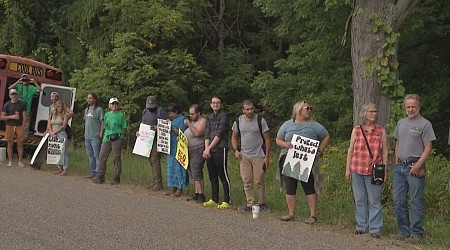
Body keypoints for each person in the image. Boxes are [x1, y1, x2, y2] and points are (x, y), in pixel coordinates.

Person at [276, 100, 330, 224]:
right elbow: (278, 139)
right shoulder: (287, 125)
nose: (309, 111)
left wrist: (320, 151)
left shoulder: (314, 125)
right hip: (290, 158)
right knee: (290, 186)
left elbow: (326, 136)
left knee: (309, 187)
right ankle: (291, 213)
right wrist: (286, 144)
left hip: (307, 160)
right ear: (298, 110)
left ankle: (313, 215)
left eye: (310, 109)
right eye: (307, 108)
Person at [393, 94, 436, 242]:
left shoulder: (425, 124)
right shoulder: (401, 123)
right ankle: (403, 230)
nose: (410, 109)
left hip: (415, 166)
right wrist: (396, 160)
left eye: (413, 107)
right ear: (405, 107)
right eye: (408, 107)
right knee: (398, 200)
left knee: (416, 201)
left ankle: (416, 233)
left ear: (419, 107)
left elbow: (428, 147)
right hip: (400, 167)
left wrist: (418, 166)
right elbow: (398, 142)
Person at [346, 103, 388, 238]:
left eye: (375, 111)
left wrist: (385, 170)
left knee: (374, 200)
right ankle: (361, 225)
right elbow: (351, 150)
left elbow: (385, 151)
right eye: (371, 111)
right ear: (364, 113)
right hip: (357, 168)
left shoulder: (381, 131)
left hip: (374, 170)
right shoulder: (357, 130)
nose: (374, 114)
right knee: (359, 199)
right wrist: (348, 169)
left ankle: (375, 228)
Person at [231, 99, 271, 212]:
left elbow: (267, 139)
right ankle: (250, 203)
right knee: (246, 180)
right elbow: (233, 136)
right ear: (243, 110)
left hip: (258, 155)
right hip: (244, 155)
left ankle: (262, 203)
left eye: (252, 108)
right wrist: (235, 150)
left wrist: (267, 156)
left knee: (259, 179)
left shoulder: (260, 120)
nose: (250, 111)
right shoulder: (238, 121)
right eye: (247, 109)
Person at [202, 95, 232, 209]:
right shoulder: (209, 117)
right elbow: (207, 133)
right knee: (212, 175)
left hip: (220, 148)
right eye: (213, 102)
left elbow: (219, 133)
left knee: (222, 174)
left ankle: (227, 200)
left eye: (217, 102)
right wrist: (206, 149)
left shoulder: (224, 116)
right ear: (210, 104)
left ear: (220, 104)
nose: (215, 104)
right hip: (210, 149)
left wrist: (209, 148)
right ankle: (214, 198)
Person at [138, 96, 168, 191]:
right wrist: (139, 132)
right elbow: (143, 123)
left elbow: (165, 126)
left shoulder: (160, 111)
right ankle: (154, 181)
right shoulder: (145, 111)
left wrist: (158, 128)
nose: (150, 108)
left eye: (152, 106)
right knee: (150, 160)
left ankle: (158, 183)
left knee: (155, 159)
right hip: (147, 138)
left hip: (157, 139)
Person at [95, 98, 127, 185]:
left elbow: (124, 127)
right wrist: (102, 134)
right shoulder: (107, 114)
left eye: (116, 104)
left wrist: (123, 137)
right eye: (112, 104)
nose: (114, 106)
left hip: (117, 137)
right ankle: (101, 176)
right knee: (102, 156)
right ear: (109, 105)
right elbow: (104, 126)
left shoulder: (121, 115)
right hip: (107, 136)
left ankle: (117, 177)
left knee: (116, 157)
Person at [184, 104, 207, 203]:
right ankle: (197, 192)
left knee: (196, 170)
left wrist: (189, 125)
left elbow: (198, 133)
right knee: (192, 171)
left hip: (198, 149)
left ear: (198, 113)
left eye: (192, 114)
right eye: (190, 114)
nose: (191, 116)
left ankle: (201, 194)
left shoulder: (203, 121)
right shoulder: (193, 122)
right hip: (189, 150)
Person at [8, 74, 42, 138]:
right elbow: (10, 88)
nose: (24, 80)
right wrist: (18, 81)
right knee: (15, 121)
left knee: (26, 123)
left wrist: (34, 82)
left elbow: (40, 90)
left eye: (26, 79)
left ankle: (24, 137)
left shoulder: (31, 87)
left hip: (27, 109)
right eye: (23, 79)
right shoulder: (18, 86)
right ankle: (14, 135)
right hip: (17, 108)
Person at [165, 103, 188, 197]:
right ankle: (173, 187)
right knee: (171, 167)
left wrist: (171, 127)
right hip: (171, 146)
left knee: (179, 168)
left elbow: (181, 133)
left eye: (171, 113)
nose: (170, 115)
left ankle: (180, 188)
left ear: (176, 112)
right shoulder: (173, 120)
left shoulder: (182, 119)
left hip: (179, 147)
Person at [1, 89, 27, 167]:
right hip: (10, 125)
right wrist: (11, 117)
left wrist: (23, 127)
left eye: (15, 94)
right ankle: (10, 161)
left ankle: (20, 161)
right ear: (10, 96)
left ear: (17, 95)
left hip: (19, 126)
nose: (14, 96)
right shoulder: (7, 104)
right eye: (12, 94)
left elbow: (25, 117)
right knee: (10, 143)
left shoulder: (22, 104)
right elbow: (2, 117)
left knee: (20, 143)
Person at [84, 92, 104, 179]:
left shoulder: (99, 110)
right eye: (87, 98)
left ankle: (97, 173)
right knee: (90, 155)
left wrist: (101, 132)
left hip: (95, 136)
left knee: (97, 156)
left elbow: (102, 122)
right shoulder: (86, 110)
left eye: (90, 98)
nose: (88, 100)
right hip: (87, 136)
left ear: (94, 99)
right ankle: (92, 172)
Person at [47, 100, 69, 175]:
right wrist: (51, 132)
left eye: (61, 106)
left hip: (61, 133)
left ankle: (65, 169)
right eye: (58, 106)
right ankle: (59, 168)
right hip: (53, 134)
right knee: (56, 152)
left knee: (63, 152)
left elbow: (64, 126)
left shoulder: (65, 115)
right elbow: (49, 124)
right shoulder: (52, 114)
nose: (59, 107)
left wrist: (55, 132)